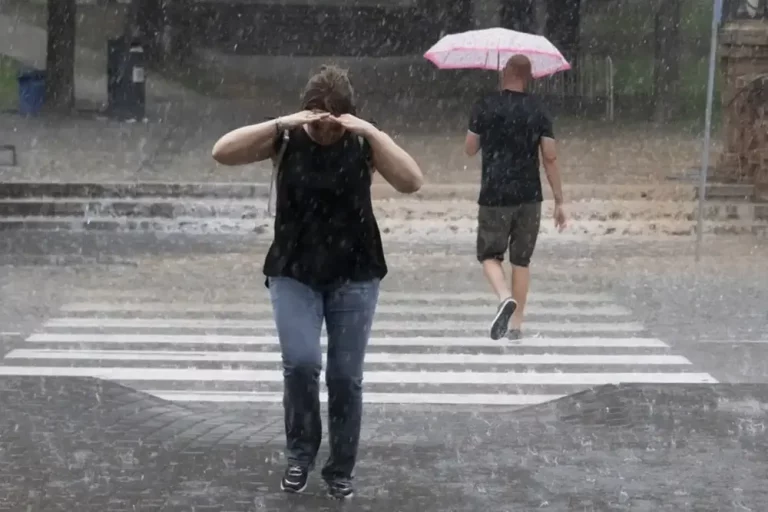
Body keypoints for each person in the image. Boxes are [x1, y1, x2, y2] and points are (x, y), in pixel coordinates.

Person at [211, 65, 423, 499]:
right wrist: (281, 122)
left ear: (347, 116)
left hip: (356, 271)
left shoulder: (362, 141)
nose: (326, 131)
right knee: (302, 363)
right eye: (317, 120)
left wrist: (370, 130)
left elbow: (412, 181)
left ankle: (340, 468)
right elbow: (221, 151)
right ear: (305, 112)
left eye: (335, 122)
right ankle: (300, 454)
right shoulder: (286, 138)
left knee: (345, 377)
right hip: (294, 269)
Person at [464, 54, 566, 341]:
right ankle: (517, 325)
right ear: (528, 76)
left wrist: (487, 131)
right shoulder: (539, 110)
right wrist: (560, 200)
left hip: (495, 194)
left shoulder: (484, 105)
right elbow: (550, 157)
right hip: (530, 195)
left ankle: (504, 296)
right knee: (521, 260)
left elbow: (470, 149)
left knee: (489, 254)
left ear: (505, 71)